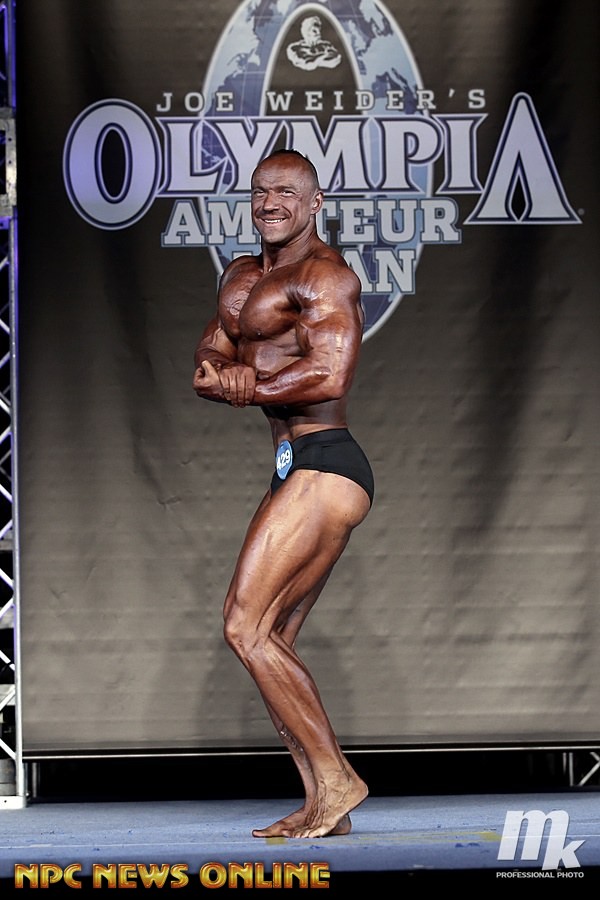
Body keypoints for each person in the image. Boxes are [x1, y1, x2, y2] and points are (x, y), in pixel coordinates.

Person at [193, 149, 374, 839]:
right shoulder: (241, 277)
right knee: (273, 641)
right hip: (292, 466)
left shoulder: (326, 276)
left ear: (315, 203)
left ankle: (339, 779)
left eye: (287, 194)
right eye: (260, 192)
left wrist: (252, 389)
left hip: (327, 463)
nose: (270, 204)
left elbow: (330, 374)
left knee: (244, 625)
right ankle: (323, 801)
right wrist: (222, 374)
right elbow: (210, 359)